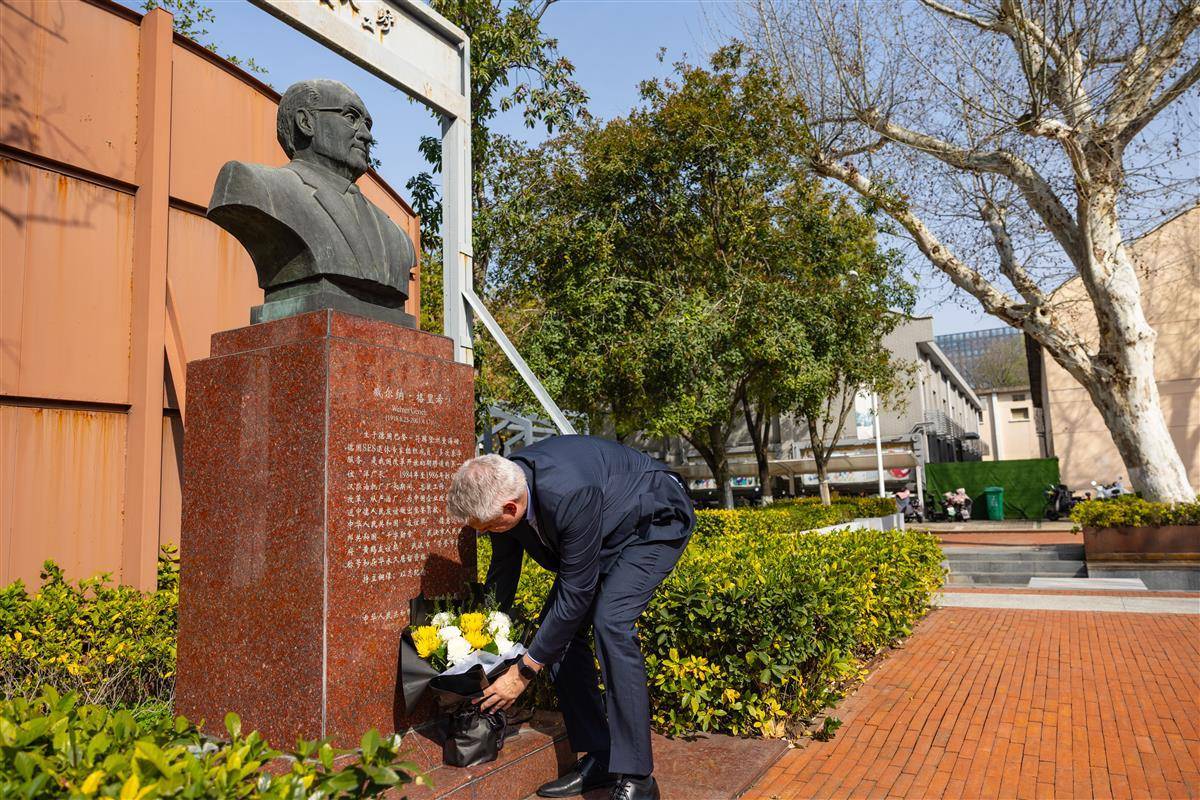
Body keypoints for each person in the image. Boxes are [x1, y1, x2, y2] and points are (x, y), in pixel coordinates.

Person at [446, 436, 695, 800]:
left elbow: (577, 592)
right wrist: (482, 642)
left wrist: (523, 672)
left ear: (511, 508)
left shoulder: (569, 492)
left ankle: (639, 778)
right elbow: (503, 570)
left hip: (652, 516)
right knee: (556, 638)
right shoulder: (502, 489)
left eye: (486, 528)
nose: (483, 534)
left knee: (611, 623)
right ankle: (601, 757)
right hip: (606, 526)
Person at [207, 78, 416, 322]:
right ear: (306, 122)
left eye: (368, 125)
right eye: (351, 118)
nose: (366, 136)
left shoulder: (397, 238)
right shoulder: (255, 185)